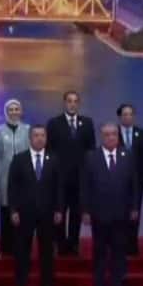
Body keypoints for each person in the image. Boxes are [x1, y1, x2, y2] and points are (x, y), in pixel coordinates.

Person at [81, 123, 139, 286]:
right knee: (99, 252)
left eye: (114, 134)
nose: (111, 137)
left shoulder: (127, 156)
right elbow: (85, 186)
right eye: (107, 134)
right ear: (101, 136)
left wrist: (134, 207)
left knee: (119, 252)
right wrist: (85, 210)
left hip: (121, 213)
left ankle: (118, 285)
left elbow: (134, 185)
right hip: (99, 213)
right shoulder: (91, 157)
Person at [8, 125, 64, 286]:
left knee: (47, 251)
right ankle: (20, 285)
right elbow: (12, 187)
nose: (39, 138)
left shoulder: (54, 159)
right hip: (25, 212)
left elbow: (59, 187)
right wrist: (13, 210)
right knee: (22, 251)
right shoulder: (19, 159)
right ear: (30, 138)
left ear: (46, 138)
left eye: (42, 135)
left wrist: (59, 209)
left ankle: (47, 285)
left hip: (48, 212)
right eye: (36, 135)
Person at [46, 91, 96, 256]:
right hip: (59, 177)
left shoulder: (87, 123)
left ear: (79, 103)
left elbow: (91, 152)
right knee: (59, 210)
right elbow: (49, 152)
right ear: (64, 103)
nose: (72, 104)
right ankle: (60, 244)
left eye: (75, 101)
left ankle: (74, 243)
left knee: (76, 212)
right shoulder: (54, 123)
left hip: (80, 178)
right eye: (69, 101)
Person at [0, 99, 30, 257]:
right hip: (4, 175)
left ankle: (21, 244)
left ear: (21, 111)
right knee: (6, 208)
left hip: (23, 176)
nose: (14, 112)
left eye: (17, 109)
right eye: (11, 109)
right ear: (6, 112)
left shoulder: (27, 129)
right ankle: (6, 245)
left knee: (22, 209)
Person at [117, 103, 143, 256]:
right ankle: (120, 244)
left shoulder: (142, 134)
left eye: (130, 114)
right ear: (120, 116)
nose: (128, 117)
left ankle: (132, 244)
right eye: (125, 114)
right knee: (120, 212)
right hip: (117, 181)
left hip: (137, 180)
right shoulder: (113, 133)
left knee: (134, 212)